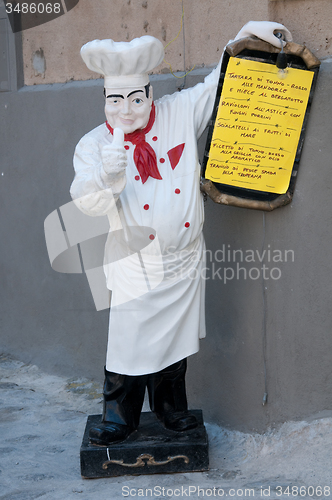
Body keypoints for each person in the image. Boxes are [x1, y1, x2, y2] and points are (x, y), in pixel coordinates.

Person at [70, 21, 292, 446]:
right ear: (104, 100)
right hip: (135, 264)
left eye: (136, 99)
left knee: (175, 343)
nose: (127, 111)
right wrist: (106, 175)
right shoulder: (92, 145)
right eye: (116, 101)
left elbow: (216, 86)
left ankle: (172, 410)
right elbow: (86, 204)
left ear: (149, 93)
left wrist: (242, 38)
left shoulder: (178, 111)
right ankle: (120, 416)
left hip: (185, 258)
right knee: (128, 343)